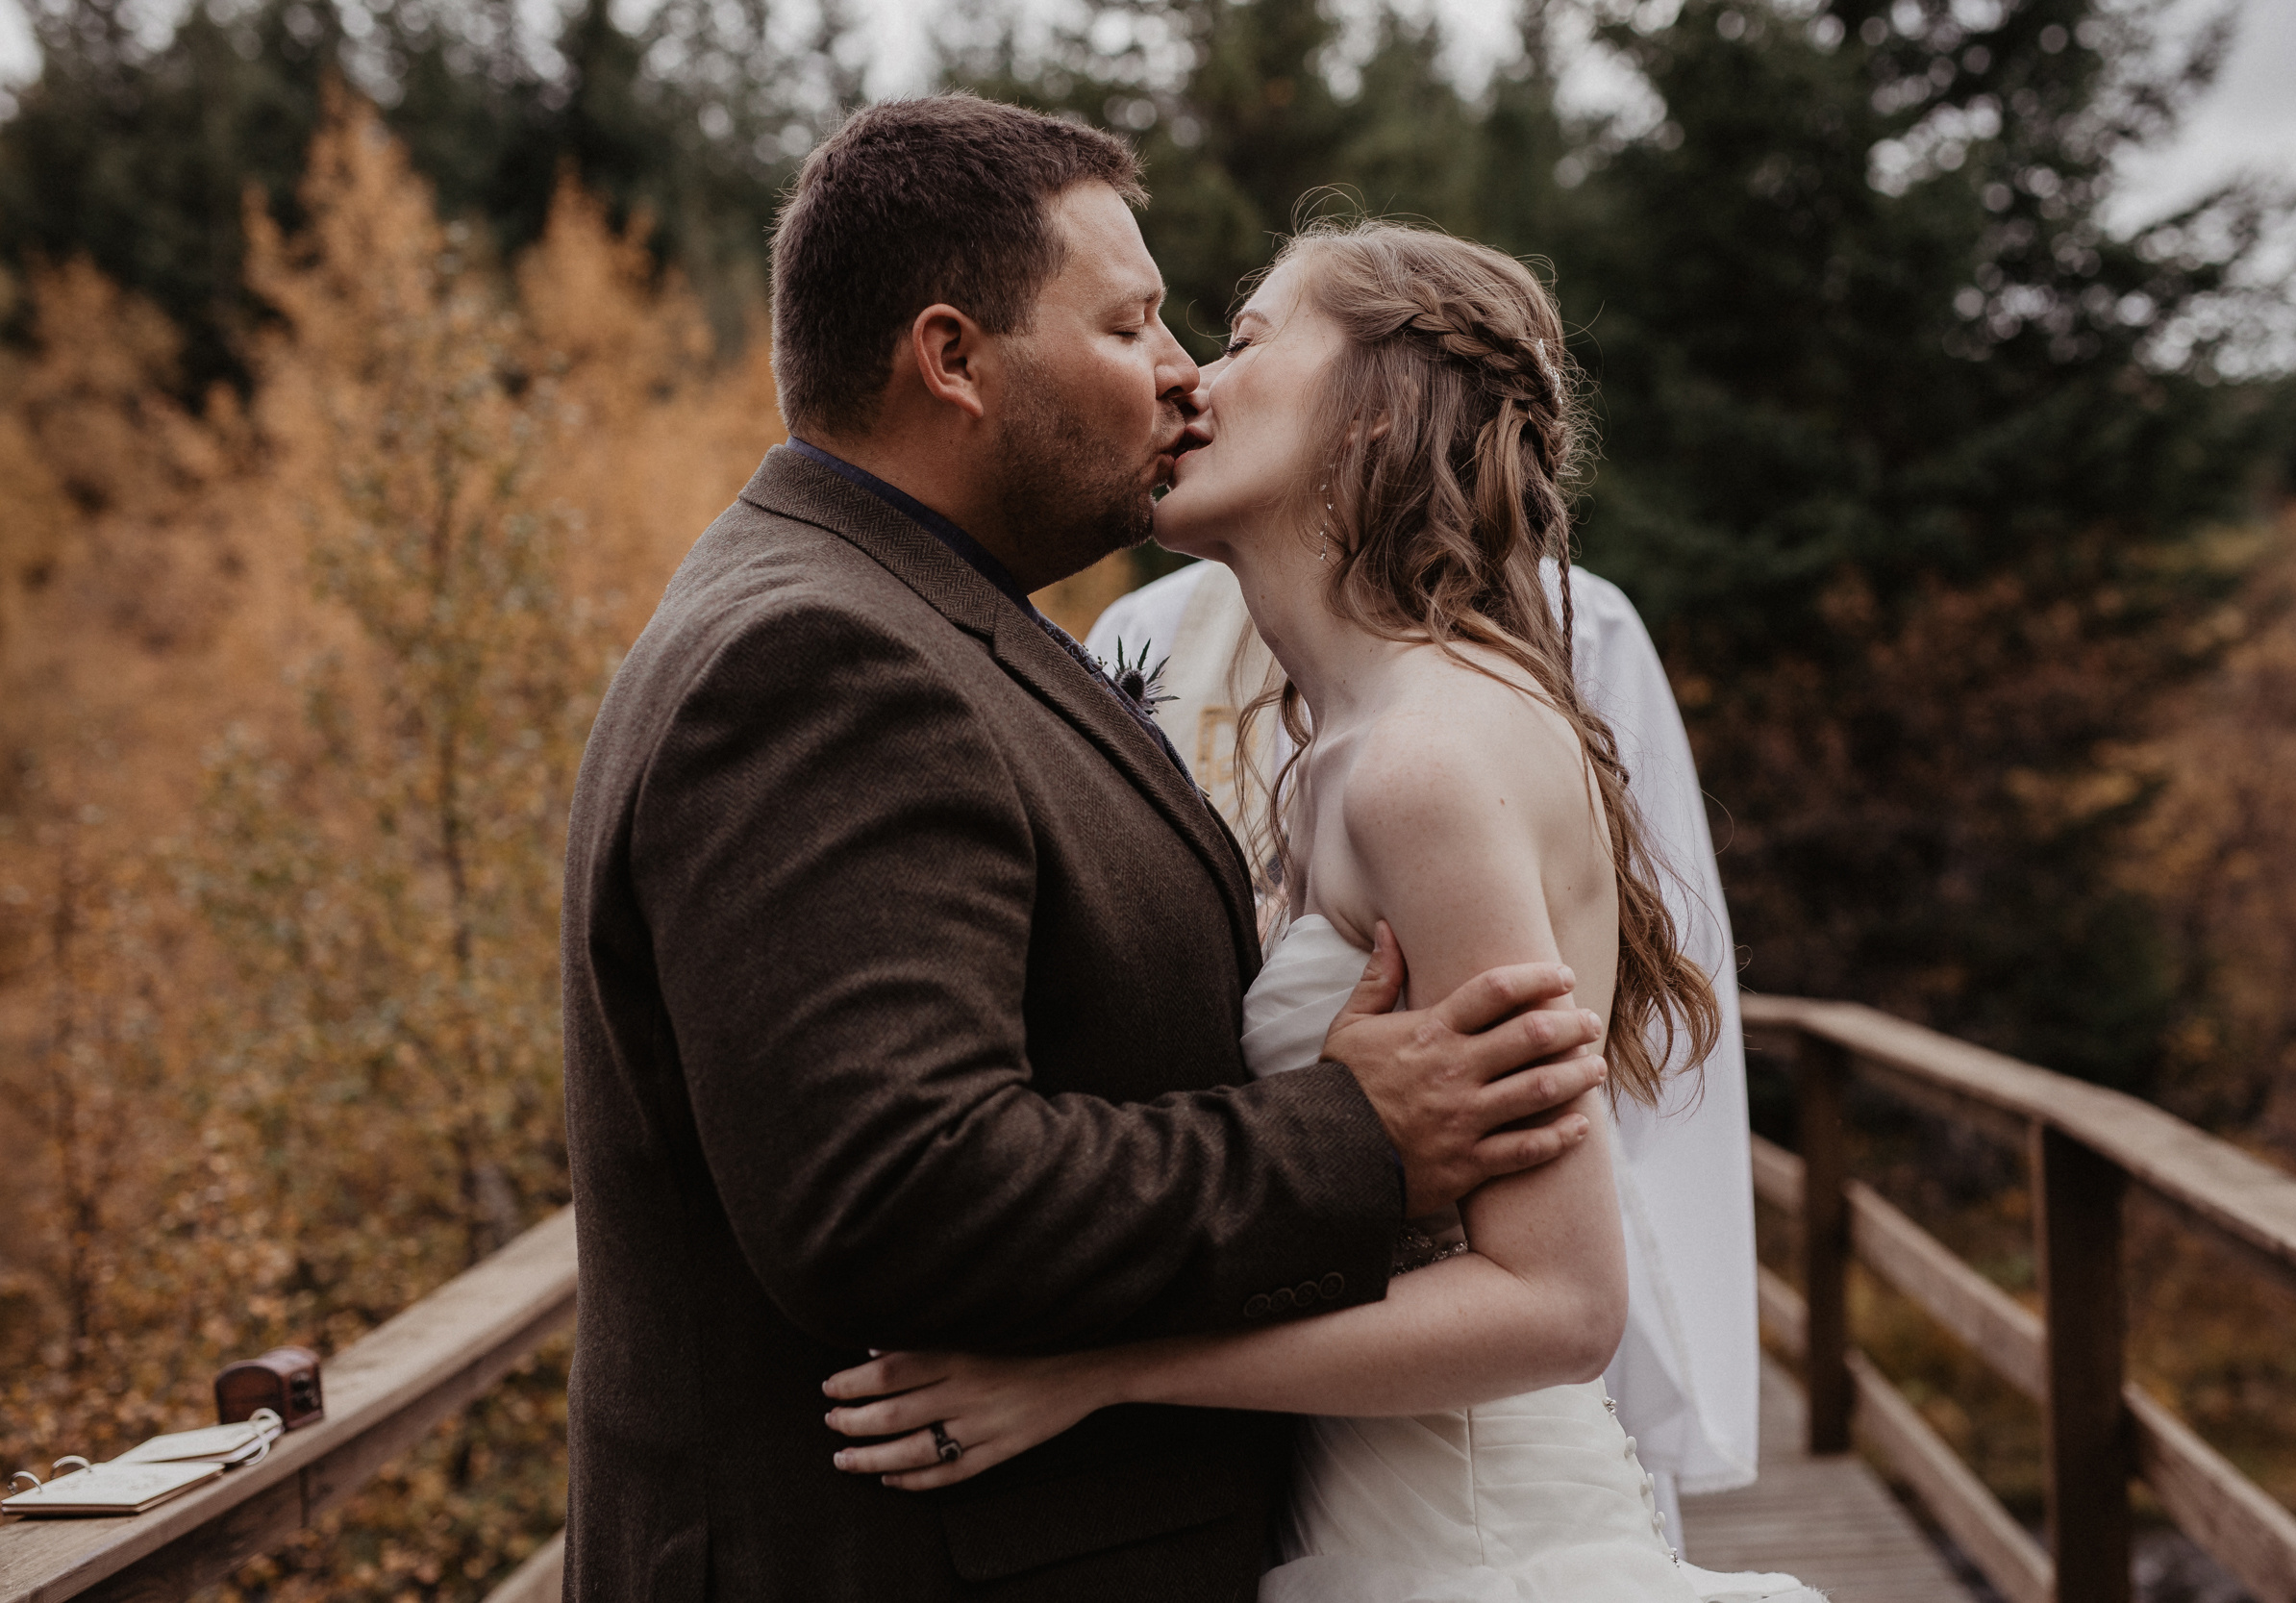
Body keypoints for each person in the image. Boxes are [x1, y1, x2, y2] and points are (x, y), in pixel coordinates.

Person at [559, 96, 1621, 1603]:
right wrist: (1354, 1134)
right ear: (953, 360)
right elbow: (897, 1188)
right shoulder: (817, 654)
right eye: (1135, 327)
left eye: (1220, 335)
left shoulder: (933, 621)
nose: (1184, 374)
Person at [823, 219, 1825, 1603]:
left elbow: (1559, 1300)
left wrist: (1094, 1373)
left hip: (1473, 1550)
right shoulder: (1344, 750)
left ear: (1373, 417)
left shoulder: (1424, 763)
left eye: (1241, 343)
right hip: (1355, 1526)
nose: (1186, 382)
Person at [1084, 545, 1760, 1557]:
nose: (1190, 383)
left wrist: (1678, 1388)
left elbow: (1634, 996)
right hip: (1272, 1367)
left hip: (1499, 1313)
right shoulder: (1141, 628)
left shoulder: (1569, 630)